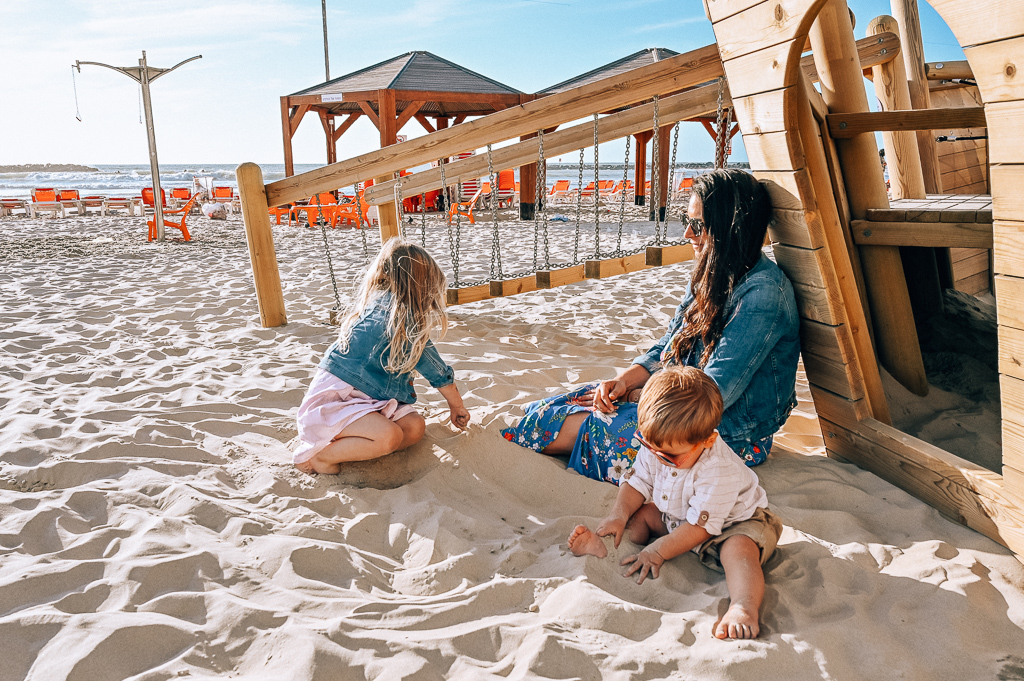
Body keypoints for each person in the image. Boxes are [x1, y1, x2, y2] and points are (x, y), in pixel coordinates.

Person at [502, 169, 800, 481]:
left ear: (730, 228)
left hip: (727, 433)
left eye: (697, 225)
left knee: (581, 426)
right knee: (563, 406)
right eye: (687, 221)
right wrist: (625, 382)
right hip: (674, 402)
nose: (687, 234)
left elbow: (714, 393)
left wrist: (636, 396)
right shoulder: (713, 273)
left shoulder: (763, 295)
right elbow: (669, 344)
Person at [567, 366, 783, 640]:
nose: (657, 457)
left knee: (738, 553)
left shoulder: (718, 469)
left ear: (707, 440)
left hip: (734, 523)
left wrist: (657, 552)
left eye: (668, 456)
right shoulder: (658, 447)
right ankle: (604, 547)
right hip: (680, 515)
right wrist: (618, 515)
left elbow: (700, 529)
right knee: (641, 516)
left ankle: (743, 606)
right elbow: (638, 482)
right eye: (647, 445)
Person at [294, 239, 471, 475]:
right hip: (338, 402)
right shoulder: (400, 319)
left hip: (371, 400)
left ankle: (358, 448)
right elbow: (436, 371)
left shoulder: (388, 306)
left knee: (414, 428)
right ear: (423, 287)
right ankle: (321, 457)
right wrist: (456, 406)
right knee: (390, 435)